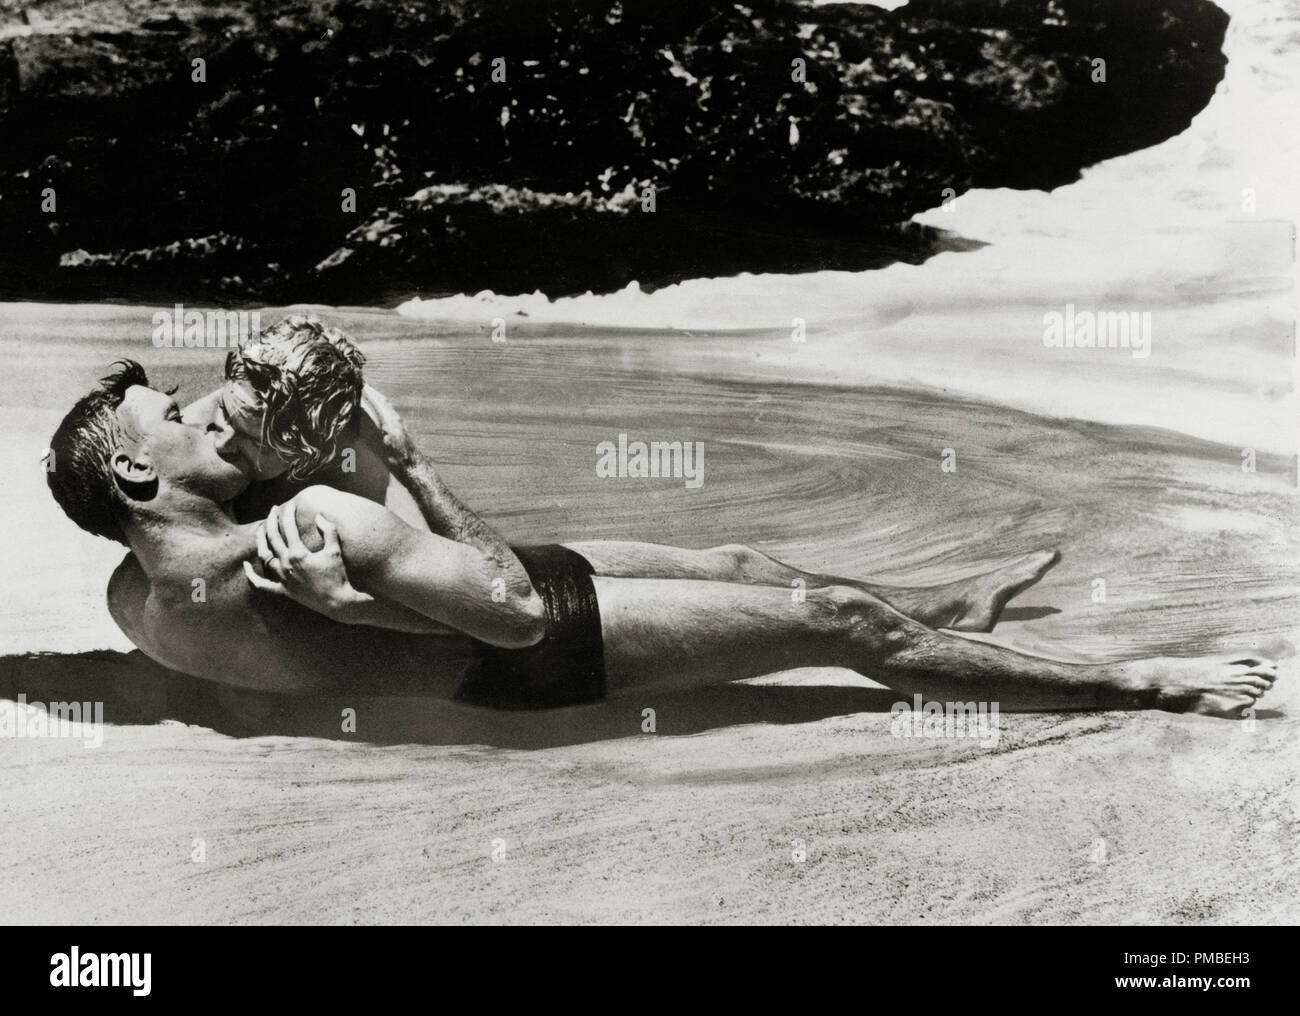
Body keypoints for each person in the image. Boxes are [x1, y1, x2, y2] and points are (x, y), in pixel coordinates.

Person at [44, 338, 1277, 720]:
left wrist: (355, 613)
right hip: (522, 646)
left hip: (450, 600)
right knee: (837, 621)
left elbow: (289, 658)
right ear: (137, 474)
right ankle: (1144, 681)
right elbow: (507, 611)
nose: (202, 409)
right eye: (175, 416)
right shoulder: (309, 521)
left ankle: (948, 615)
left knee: (744, 566)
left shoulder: (134, 599)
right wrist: (400, 461)